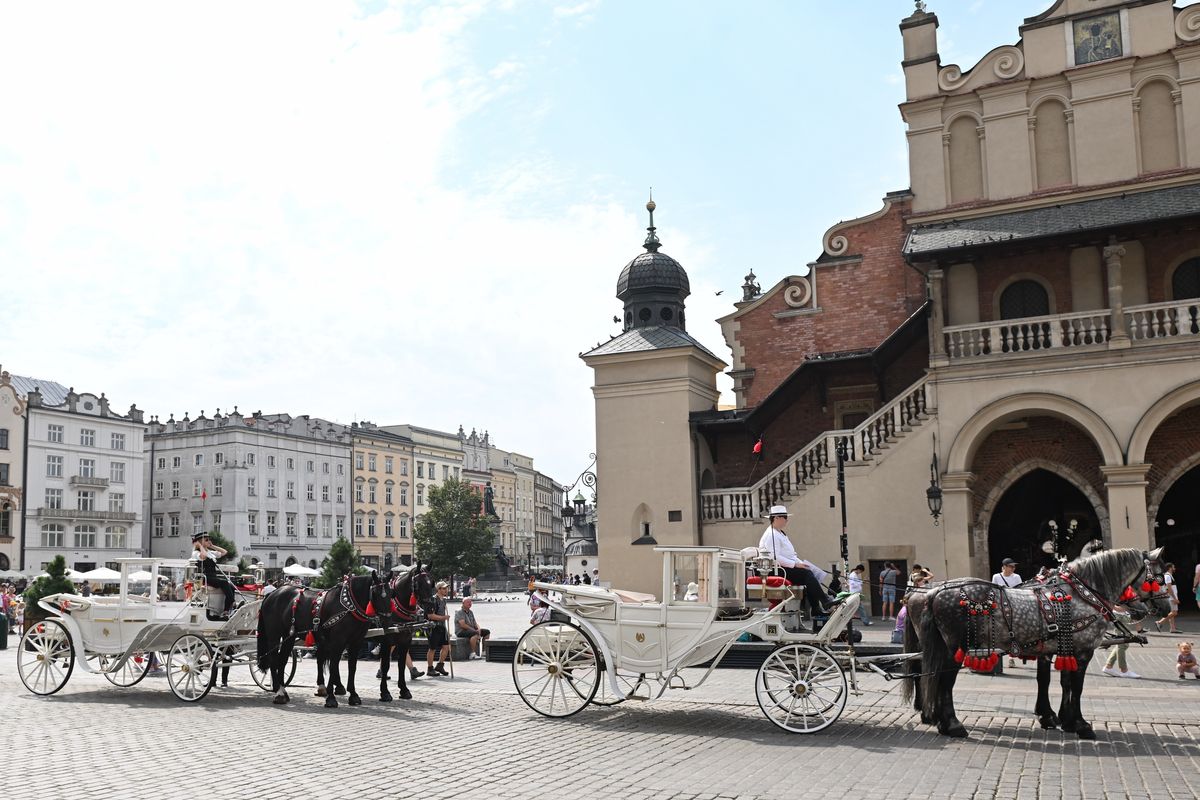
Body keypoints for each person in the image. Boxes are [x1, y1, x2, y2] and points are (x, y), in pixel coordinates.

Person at [757, 504, 833, 632]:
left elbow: (791, 555)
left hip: (784, 568)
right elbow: (774, 557)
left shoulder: (780, 533)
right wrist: (796, 565)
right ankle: (823, 602)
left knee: (808, 573)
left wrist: (801, 563)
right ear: (776, 518)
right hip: (777, 571)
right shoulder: (771, 534)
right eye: (785, 517)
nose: (787, 520)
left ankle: (817, 608)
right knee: (806, 575)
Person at [192, 532, 235, 618]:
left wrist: (212, 546)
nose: (209, 541)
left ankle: (226, 610)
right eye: (206, 540)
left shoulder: (210, 552)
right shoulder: (196, 553)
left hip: (213, 576)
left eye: (209, 539)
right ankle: (232, 603)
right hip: (205, 577)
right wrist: (200, 546)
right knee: (225, 583)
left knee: (231, 586)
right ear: (200, 541)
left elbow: (224, 552)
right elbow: (203, 556)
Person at [992, 558, 1022, 669]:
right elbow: (993, 591)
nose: (1013, 568)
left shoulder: (1017, 577)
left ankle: (1011, 658)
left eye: (1014, 566)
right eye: (1011, 566)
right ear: (1004, 567)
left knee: (1013, 632)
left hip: (1013, 607)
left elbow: (1021, 591)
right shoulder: (996, 577)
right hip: (1001, 606)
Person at [1101, 604, 1141, 679]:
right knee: (1122, 644)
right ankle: (1124, 670)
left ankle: (1108, 666)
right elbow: (1112, 604)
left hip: (1121, 615)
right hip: (1118, 616)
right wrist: (1125, 608)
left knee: (1122, 644)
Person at [426, 581, 451, 676]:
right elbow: (430, 616)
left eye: (446, 588)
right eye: (444, 588)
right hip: (434, 627)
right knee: (432, 648)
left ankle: (440, 666)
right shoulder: (433, 600)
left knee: (446, 647)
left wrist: (444, 620)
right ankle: (430, 668)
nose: (446, 590)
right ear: (438, 589)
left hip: (442, 626)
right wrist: (443, 618)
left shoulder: (444, 600)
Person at [1155, 563, 1180, 633]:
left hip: (1171, 597)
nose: (1174, 568)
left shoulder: (1168, 576)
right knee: (1174, 612)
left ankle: (1172, 628)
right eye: (1173, 567)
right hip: (1171, 597)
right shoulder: (1168, 576)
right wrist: (1175, 598)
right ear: (1170, 568)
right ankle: (1159, 622)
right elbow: (1169, 588)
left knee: (1171, 613)